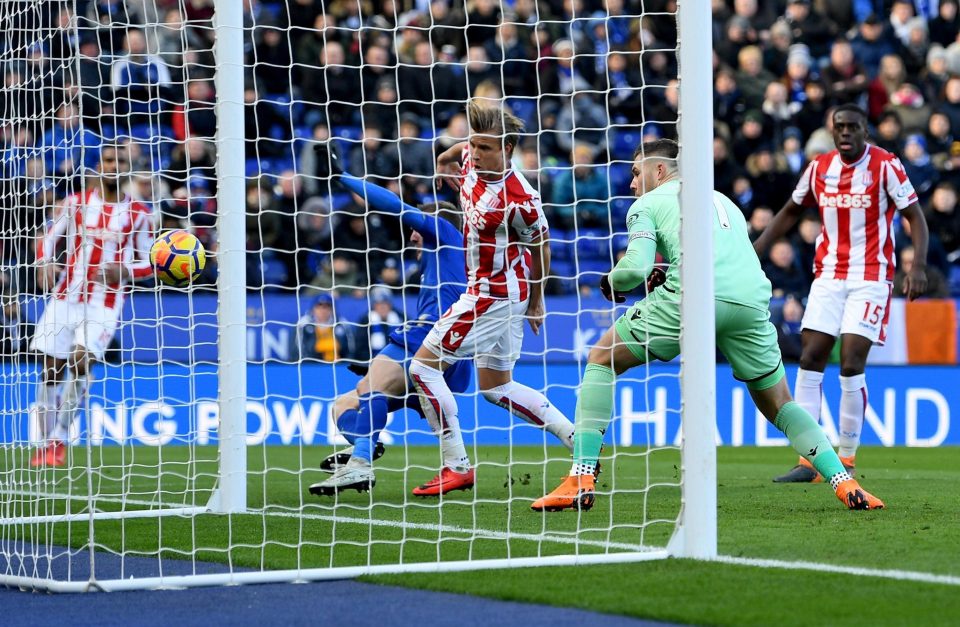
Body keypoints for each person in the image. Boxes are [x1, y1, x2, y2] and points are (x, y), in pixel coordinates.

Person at [533, 139, 884, 512]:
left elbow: (633, 268)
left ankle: (581, 476)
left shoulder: (647, 203)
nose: (632, 184)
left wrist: (612, 281)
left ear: (660, 170)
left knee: (602, 358)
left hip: (695, 298)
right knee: (780, 403)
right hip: (750, 302)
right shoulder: (723, 200)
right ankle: (844, 482)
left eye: (637, 173)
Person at [406, 100, 577, 497]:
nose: (476, 153)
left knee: (422, 369)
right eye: (474, 145)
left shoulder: (520, 200)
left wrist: (538, 301)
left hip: (494, 295)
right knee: (496, 387)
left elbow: (543, 247)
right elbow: (452, 152)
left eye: (486, 148)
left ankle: (457, 466)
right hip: (493, 291)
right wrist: (445, 165)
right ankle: (579, 441)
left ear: (509, 148)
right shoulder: (468, 156)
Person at [753, 104, 929, 483]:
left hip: (871, 276)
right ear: (832, 132)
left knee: (850, 362)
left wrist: (917, 266)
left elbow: (915, 216)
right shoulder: (819, 167)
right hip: (829, 275)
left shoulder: (886, 166)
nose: (846, 133)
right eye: (840, 127)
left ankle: (846, 458)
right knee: (811, 356)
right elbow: (789, 211)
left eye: (853, 127)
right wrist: (754, 252)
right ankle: (809, 461)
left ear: (866, 131)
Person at [309, 154, 474, 496]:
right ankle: (363, 448)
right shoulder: (441, 263)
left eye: (417, 229)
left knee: (374, 387)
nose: (413, 236)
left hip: (431, 338)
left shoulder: (445, 232)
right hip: (450, 357)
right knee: (343, 403)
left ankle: (360, 464)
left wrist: (343, 178)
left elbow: (392, 204)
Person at [29, 144, 154, 467]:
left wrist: (123, 270)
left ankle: (59, 437)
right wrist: (43, 262)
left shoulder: (140, 214)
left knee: (80, 358)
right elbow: (47, 240)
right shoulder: (75, 203)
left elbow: (149, 263)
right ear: (100, 166)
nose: (114, 166)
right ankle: (43, 441)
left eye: (121, 161)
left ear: (128, 167)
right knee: (51, 369)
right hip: (65, 297)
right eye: (109, 160)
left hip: (105, 302)